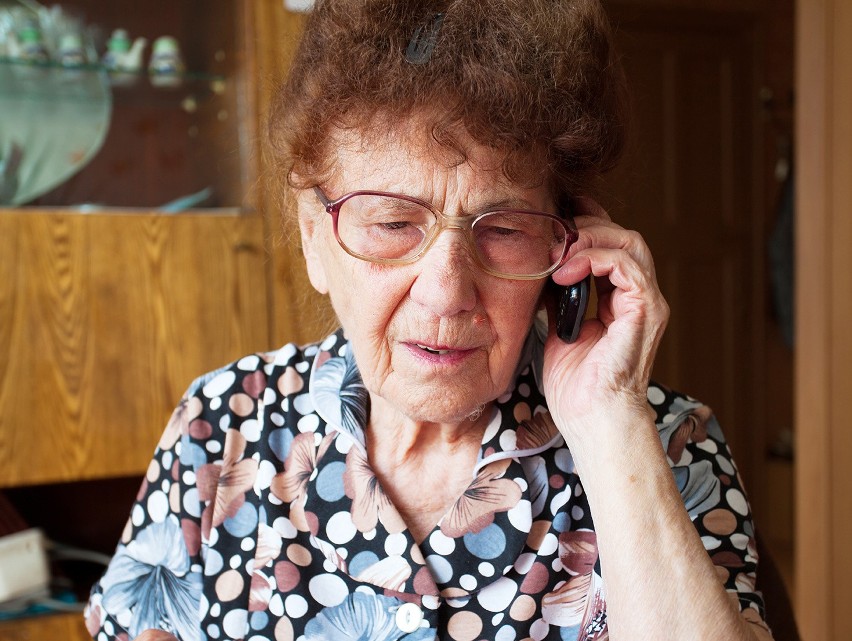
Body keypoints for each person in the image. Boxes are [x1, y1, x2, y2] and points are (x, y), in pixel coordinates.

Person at [85, 1, 774, 640]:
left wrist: (609, 421)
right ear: (312, 239)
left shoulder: (669, 444)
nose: (447, 292)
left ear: (569, 248)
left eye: (503, 228)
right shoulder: (219, 427)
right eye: (391, 222)